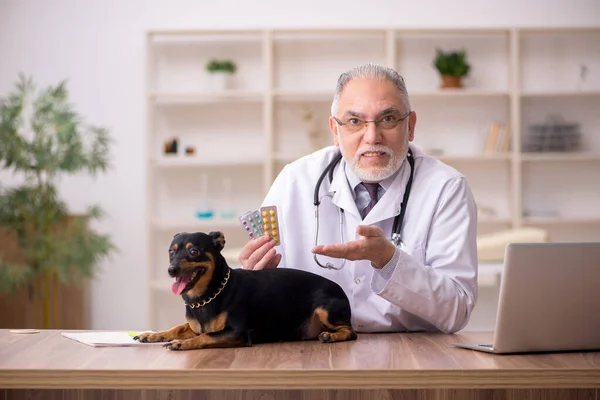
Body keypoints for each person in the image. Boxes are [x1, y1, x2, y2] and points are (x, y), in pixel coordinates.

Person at [238, 63, 478, 334]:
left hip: (412, 354)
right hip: (313, 352)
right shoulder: (295, 181)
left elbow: (457, 310)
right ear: (335, 130)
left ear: (410, 126)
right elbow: (261, 297)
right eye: (355, 122)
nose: (372, 137)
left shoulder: (446, 188)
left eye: (388, 119)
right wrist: (251, 279)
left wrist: (389, 260)